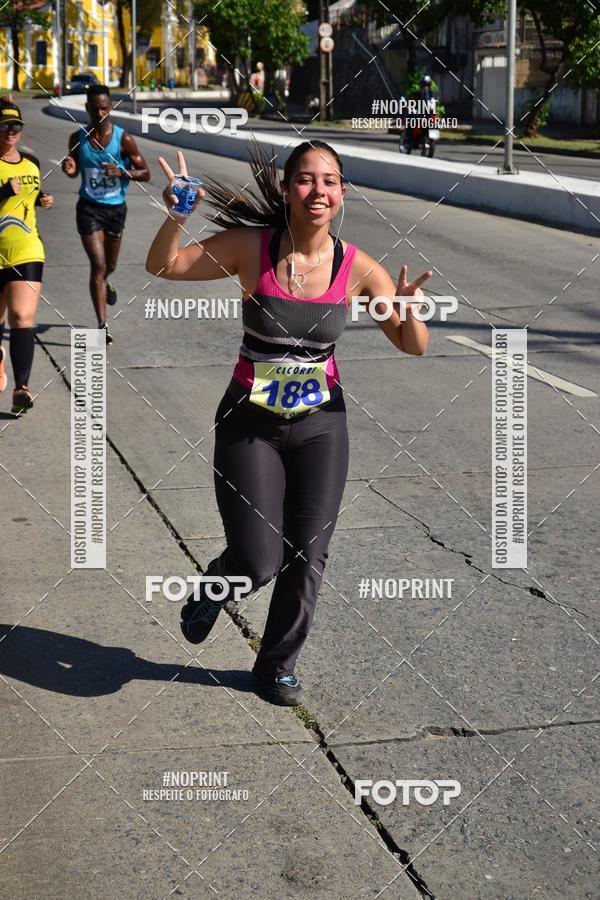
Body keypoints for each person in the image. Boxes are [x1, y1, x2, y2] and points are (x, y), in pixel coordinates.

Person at [146, 140, 430, 706]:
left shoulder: (358, 269)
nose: (317, 191)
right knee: (258, 558)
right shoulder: (253, 249)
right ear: (287, 189)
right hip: (249, 422)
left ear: (342, 193)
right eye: (305, 179)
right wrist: (177, 216)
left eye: (329, 181)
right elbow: (164, 266)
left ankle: (275, 665)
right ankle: (217, 584)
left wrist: (409, 312)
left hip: (322, 425)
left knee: (309, 552)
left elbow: (411, 345)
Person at [61, 84, 150, 344]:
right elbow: (74, 169)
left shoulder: (123, 139)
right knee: (98, 265)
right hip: (88, 208)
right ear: (87, 108)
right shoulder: (77, 139)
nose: (99, 112)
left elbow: (145, 173)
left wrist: (123, 172)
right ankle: (102, 325)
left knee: (109, 265)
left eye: (104, 107)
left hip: (115, 210)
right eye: (94, 108)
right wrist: (69, 168)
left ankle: (105, 283)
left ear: (110, 107)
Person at [0, 99, 54, 414]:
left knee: (22, 317)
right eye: (5, 126)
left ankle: (22, 387)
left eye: (16, 126)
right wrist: (4, 191)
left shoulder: (31, 164)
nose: (10, 132)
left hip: (26, 248)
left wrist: (42, 199)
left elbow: (30, 196)